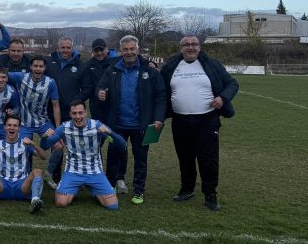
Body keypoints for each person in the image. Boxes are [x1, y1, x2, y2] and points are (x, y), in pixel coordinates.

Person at [160, 35, 239, 211]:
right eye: (186, 44)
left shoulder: (212, 64)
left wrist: (222, 98)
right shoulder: (171, 66)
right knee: (185, 158)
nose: (191, 47)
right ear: (181, 48)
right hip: (180, 121)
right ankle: (187, 189)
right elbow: (161, 90)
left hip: (207, 120)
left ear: (199, 47)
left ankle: (210, 194)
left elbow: (232, 84)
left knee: (208, 159)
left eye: (194, 44)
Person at [97, 35, 166, 204]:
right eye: (126, 49)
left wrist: (158, 118)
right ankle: (110, 186)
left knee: (140, 159)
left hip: (141, 124)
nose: (129, 52)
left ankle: (139, 191)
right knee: (113, 156)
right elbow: (100, 85)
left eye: (132, 49)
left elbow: (161, 96)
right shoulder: (113, 69)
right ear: (121, 51)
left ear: (138, 49)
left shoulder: (149, 70)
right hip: (117, 124)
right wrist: (100, 92)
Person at [44, 100, 126, 210]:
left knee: (113, 205)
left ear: (86, 113)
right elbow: (45, 145)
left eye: (80, 113)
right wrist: (44, 137)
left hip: (95, 172)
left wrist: (110, 132)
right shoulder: (64, 128)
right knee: (60, 203)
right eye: (74, 113)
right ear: (70, 114)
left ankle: (95, 191)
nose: (78, 116)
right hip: (73, 172)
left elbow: (122, 144)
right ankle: (74, 189)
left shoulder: (97, 126)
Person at [44, 36, 93, 186]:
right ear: (58, 48)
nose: (65, 50)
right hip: (52, 112)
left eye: (68, 48)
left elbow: (88, 88)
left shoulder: (80, 65)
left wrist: (76, 103)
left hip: (72, 114)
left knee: (76, 145)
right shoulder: (49, 62)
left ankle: (79, 175)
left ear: (72, 48)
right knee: (57, 144)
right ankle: (55, 176)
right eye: (62, 47)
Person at [0, 114, 46, 214]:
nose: (12, 127)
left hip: (22, 186)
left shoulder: (25, 144)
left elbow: (43, 156)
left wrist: (33, 144)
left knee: (37, 171)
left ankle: (35, 201)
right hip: (2, 185)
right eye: (9, 125)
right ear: (4, 127)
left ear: (19, 128)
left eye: (15, 125)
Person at [7, 56, 61, 188]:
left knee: (58, 146)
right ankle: (26, 176)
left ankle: (48, 174)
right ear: (30, 67)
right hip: (24, 123)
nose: (38, 69)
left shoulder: (50, 82)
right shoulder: (21, 77)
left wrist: (58, 130)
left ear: (44, 68)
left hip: (43, 122)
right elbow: (2, 74)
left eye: (41, 66)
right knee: (23, 148)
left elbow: (55, 106)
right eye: (35, 66)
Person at [85, 38, 112, 123]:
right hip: (95, 106)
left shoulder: (113, 64)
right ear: (93, 52)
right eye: (96, 50)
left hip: (112, 105)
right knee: (98, 130)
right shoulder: (87, 65)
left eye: (101, 50)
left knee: (111, 130)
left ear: (107, 49)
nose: (99, 53)